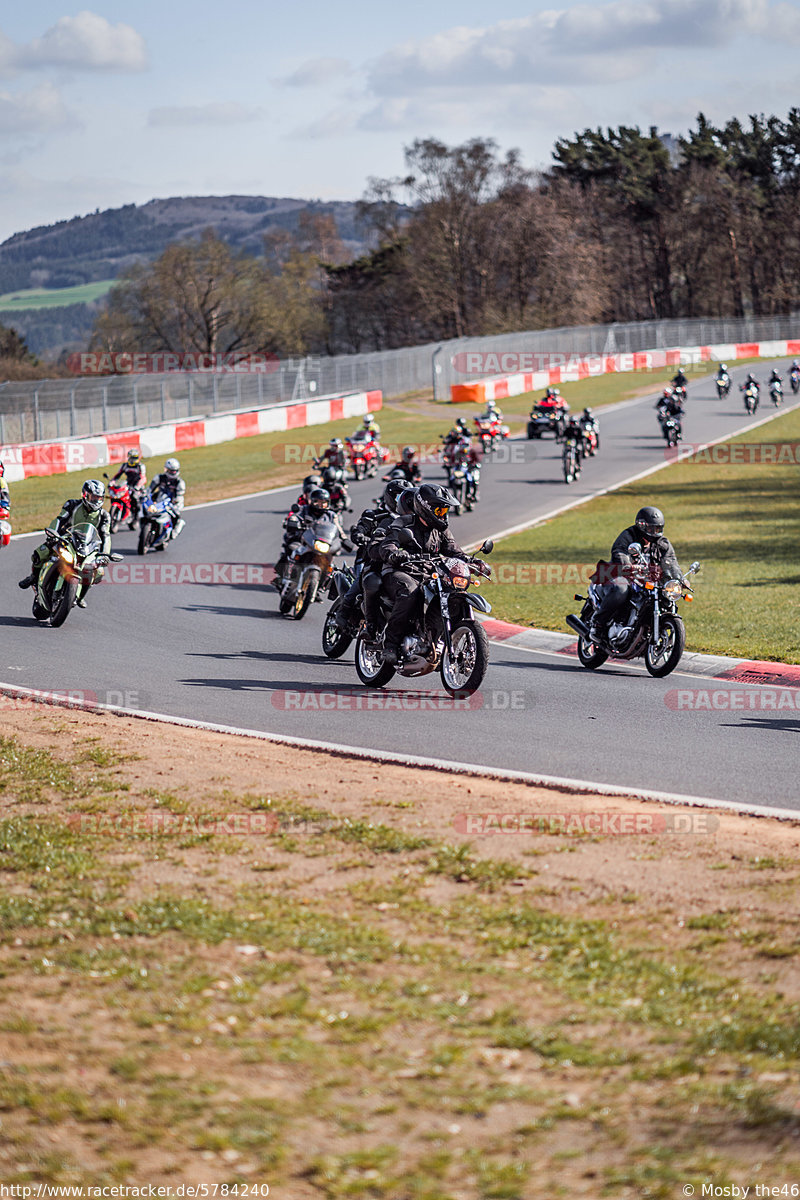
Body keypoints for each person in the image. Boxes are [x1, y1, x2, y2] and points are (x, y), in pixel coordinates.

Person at [378, 483, 464, 666]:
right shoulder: (404, 522)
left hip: (427, 573)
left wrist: (471, 560)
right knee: (410, 592)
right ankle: (391, 644)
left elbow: (453, 550)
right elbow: (387, 544)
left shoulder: (440, 530)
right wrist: (395, 553)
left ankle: (432, 639)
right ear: (425, 508)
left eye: (445, 510)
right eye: (439, 510)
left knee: (451, 593)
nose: (443, 515)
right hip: (399, 571)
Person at [589, 506, 681, 644]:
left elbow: (671, 562)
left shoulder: (662, 544)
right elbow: (619, 552)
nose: (654, 532)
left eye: (657, 529)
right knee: (621, 590)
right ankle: (598, 625)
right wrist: (628, 566)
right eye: (651, 529)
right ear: (641, 526)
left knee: (666, 596)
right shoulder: (629, 535)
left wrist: (680, 579)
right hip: (620, 575)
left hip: (646, 581)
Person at [334, 479, 414, 632]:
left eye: (407, 498)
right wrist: (360, 536)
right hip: (369, 558)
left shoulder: (410, 519)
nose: (403, 502)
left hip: (394, 562)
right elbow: (360, 528)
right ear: (390, 498)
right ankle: (343, 611)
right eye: (399, 497)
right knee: (364, 582)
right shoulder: (374, 515)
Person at [18, 479, 111, 608]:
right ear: (85, 494)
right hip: (65, 539)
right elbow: (59, 519)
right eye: (93, 497)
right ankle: (33, 577)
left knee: (98, 571)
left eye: (99, 498)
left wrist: (105, 554)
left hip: (88, 547)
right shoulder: (72, 504)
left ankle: (81, 596)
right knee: (40, 553)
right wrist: (53, 534)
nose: (96, 501)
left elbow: (106, 535)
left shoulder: (104, 515)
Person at [147, 458, 186, 539]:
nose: (171, 472)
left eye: (173, 471)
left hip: (172, 501)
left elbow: (179, 495)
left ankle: (174, 530)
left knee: (176, 514)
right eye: (169, 470)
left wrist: (175, 503)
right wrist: (147, 495)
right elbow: (150, 489)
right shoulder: (159, 477)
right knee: (146, 509)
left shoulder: (180, 482)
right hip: (160, 500)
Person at [111, 449, 147, 529]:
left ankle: (135, 517)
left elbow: (143, 478)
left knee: (134, 498)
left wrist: (138, 486)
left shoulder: (140, 466)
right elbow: (118, 475)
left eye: (134, 458)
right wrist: (112, 481)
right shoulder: (125, 465)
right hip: (128, 485)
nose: (132, 460)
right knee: (118, 495)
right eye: (131, 458)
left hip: (138, 487)